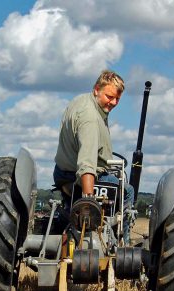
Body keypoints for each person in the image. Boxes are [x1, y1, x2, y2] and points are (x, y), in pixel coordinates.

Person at [53, 70, 134, 243]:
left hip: (61, 172)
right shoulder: (90, 119)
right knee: (127, 192)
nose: (113, 102)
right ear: (97, 89)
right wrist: (89, 202)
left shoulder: (81, 101)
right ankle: (122, 244)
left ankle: (64, 221)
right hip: (79, 176)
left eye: (117, 99)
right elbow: (87, 163)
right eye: (109, 97)